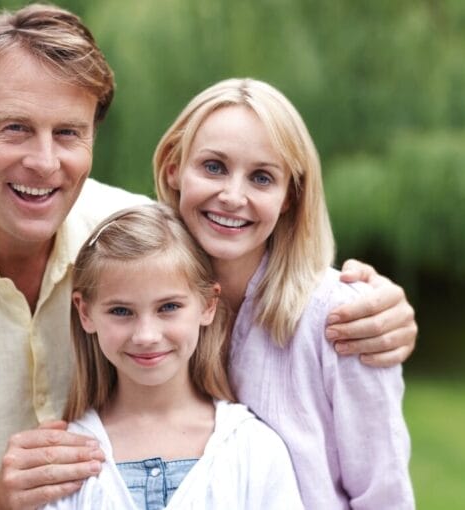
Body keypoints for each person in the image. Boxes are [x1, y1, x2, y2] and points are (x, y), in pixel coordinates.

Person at [0, 4, 415, 510]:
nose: (43, 162)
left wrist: (373, 304)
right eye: (14, 128)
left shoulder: (136, 235)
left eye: (68, 133)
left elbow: (239, 232)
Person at [154, 77, 415, 508]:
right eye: (214, 167)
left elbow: (384, 495)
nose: (232, 196)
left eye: (261, 178)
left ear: (290, 196)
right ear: (173, 169)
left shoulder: (342, 319)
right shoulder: (145, 310)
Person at [42, 203, 303, 509]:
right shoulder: (67, 462)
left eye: (168, 307)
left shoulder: (252, 448)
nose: (146, 335)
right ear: (85, 313)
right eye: (121, 311)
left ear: (207, 304)